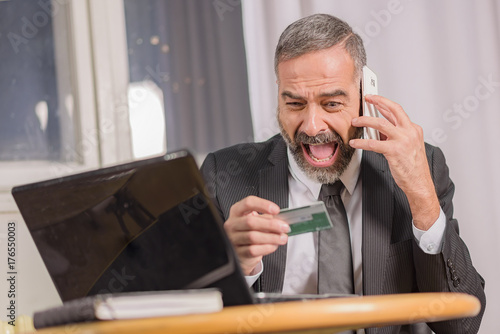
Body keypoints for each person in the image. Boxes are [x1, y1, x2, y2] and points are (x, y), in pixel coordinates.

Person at [201, 13, 485, 334]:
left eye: (332, 103)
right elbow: (190, 316)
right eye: (294, 104)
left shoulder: (422, 165)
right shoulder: (224, 176)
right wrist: (240, 268)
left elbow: (461, 323)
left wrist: (421, 195)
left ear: (365, 98)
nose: (311, 126)